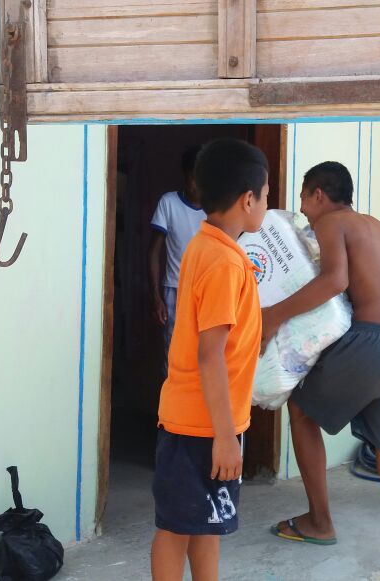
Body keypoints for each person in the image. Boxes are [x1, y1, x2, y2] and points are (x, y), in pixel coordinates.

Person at [262, 162, 380, 581]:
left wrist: (273, 315)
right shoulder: (376, 227)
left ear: (318, 195)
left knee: (301, 411)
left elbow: (334, 281)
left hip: (374, 342)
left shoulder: (333, 223)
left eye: (304, 200)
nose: (303, 210)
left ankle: (319, 521)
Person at [150, 139, 269, 581]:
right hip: (201, 427)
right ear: (248, 199)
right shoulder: (224, 263)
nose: (266, 204)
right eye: (266, 195)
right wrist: (223, 437)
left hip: (207, 421)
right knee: (176, 529)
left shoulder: (207, 245)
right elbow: (210, 355)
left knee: (206, 523)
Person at [150, 145, 206, 360]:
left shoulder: (217, 208)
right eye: (193, 178)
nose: (198, 185)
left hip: (208, 289)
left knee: (205, 349)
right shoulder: (168, 203)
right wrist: (156, 297)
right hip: (175, 288)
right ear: (184, 175)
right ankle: (171, 384)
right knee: (174, 349)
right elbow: (154, 252)